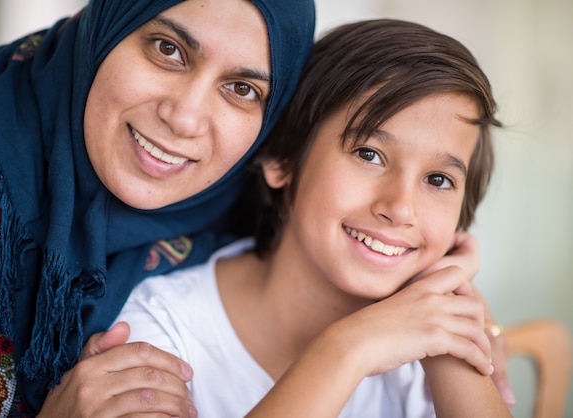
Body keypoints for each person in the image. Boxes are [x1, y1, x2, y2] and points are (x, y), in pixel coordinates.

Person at [114, 19, 512, 417]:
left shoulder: (428, 349)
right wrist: (348, 348)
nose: (401, 208)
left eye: (438, 179)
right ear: (282, 158)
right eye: (368, 154)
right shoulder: (158, 331)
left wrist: (451, 328)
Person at [0, 0, 315, 416]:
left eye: (242, 89)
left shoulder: (246, 225)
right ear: (106, 29)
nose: (184, 118)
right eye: (168, 48)